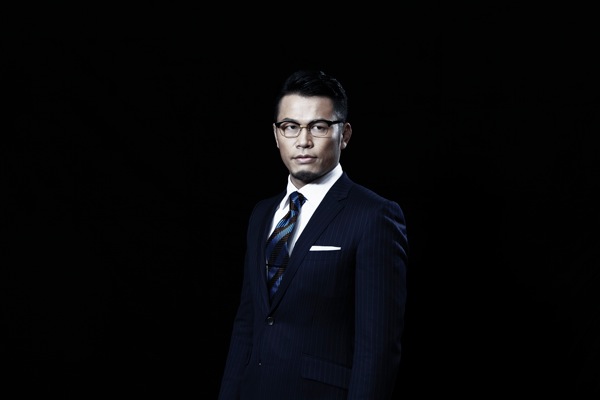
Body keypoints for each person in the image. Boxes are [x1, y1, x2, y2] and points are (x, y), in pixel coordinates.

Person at [217, 69, 409, 400]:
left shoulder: (374, 216)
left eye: (318, 127)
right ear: (277, 134)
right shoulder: (262, 214)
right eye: (291, 126)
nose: (303, 141)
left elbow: (377, 348)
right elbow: (247, 324)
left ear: (344, 134)